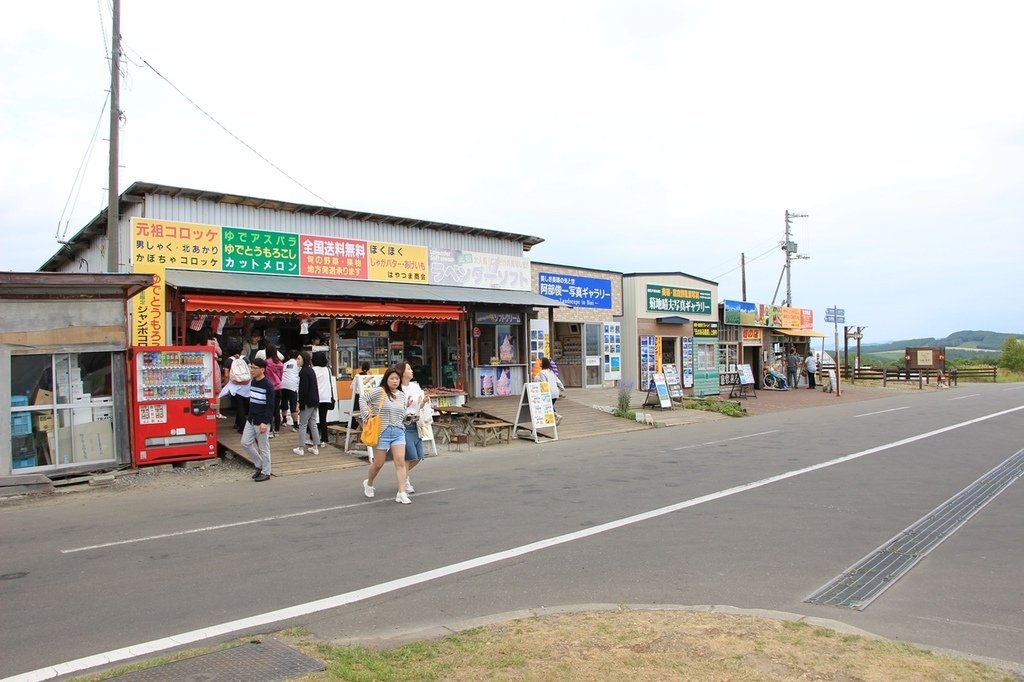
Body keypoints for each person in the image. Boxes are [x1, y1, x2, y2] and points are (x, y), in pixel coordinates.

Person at [361, 367, 412, 504]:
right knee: (378, 463)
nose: (395, 381)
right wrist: (366, 414)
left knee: (400, 461)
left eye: (397, 379)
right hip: (382, 432)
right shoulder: (379, 391)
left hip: (398, 431)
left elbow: (402, 414)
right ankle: (369, 483)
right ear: (386, 379)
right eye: (392, 378)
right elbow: (363, 399)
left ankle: (401, 492)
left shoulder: (402, 395)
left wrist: (409, 418)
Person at [397, 361, 430, 493]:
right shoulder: (398, 389)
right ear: (402, 372)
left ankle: (401, 473)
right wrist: (405, 405)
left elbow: (420, 405)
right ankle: (404, 482)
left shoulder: (415, 386)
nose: (411, 371)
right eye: (409, 369)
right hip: (403, 424)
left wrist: (424, 402)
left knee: (418, 456)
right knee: (409, 456)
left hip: (416, 423)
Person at [241, 357, 274, 482]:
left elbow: (270, 406)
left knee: (264, 447)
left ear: (262, 369)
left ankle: (266, 471)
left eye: (255, 368)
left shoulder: (268, 385)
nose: (252, 370)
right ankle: (259, 464)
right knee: (245, 443)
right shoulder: (253, 382)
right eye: (251, 367)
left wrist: (265, 422)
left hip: (262, 420)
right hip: (251, 418)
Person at [293, 351, 320, 456]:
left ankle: (301, 448)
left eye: (299, 359)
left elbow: (303, 390)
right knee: (313, 424)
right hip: (314, 400)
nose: (297, 361)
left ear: (304, 360)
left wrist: (300, 403)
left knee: (303, 424)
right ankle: (315, 447)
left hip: (307, 401)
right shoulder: (311, 370)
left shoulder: (303, 372)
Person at [198, 328, 226, 419]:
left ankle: (203, 411)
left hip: (202, 366)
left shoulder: (199, 344)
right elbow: (220, 352)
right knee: (217, 392)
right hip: (213, 365)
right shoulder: (214, 341)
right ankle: (217, 412)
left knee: (204, 390)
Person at [260, 342, 284, 436]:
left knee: (269, 409)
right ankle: (277, 430)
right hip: (278, 387)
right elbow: (281, 376)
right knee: (277, 409)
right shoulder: (280, 363)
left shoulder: (266, 363)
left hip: (269, 387)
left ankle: (269, 431)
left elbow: (264, 375)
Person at [311, 351, 335, 448]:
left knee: (312, 419)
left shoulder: (313, 370)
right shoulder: (327, 369)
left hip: (315, 396)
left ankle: (314, 438)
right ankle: (324, 439)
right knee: (323, 419)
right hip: (326, 397)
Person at [537, 357, 565, 424]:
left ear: (543, 363)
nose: (539, 362)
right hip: (556, 392)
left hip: (549, 392)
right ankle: (554, 417)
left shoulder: (542, 372)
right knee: (550, 405)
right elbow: (557, 380)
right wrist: (562, 388)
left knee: (547, 406)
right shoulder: (551, 371)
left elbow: (544, 384)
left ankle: (556, 416)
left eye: (540, 361)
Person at [280, 349, 300, 431]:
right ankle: (295, 425)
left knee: (284, 402)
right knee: (293, 405)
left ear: (288, 356)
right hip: (292, 386)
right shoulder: (298, 364)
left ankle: (284, 420)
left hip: (283, 385)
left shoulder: (284, 364)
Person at [349, 361, 371, 428]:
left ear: (361, 368)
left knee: (356, 413)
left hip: (358, 397)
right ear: (369, 368)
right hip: (368, 398)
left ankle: (355, 427)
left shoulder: (357, 376)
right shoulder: (370, 376)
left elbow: (352, 387)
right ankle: (365, 427)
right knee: (366, 413)